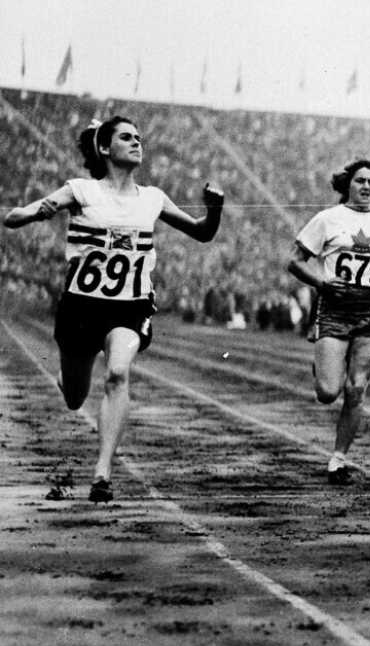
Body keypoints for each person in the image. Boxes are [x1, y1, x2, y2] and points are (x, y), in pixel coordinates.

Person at [3, 115, 223, 503]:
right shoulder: (82, 190)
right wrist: (35, 212)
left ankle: (102, 472)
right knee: (74, 397)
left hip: (130, 306)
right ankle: (70, 372)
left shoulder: (153, 197)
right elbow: (14, 216)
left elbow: (202, 232)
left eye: (139, 137)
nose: (137, 142)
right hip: (81, 308)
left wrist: (215, 209)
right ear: (105, 148)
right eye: (126, 137)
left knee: (118, 373)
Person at [287, 159, 370, 485]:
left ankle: (338, 459)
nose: (366, 186)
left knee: (356, 389)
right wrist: (322, 283)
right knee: (329, 391)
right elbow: (295, 262)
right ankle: (324, 365)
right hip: (335, 307)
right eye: (360, 181)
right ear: (347, 185)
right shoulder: (327, 220)